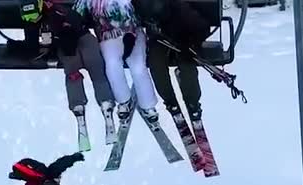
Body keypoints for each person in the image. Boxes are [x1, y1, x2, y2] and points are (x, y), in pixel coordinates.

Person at [18, 0, 118, 145]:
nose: (33, 20)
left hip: (80, 37)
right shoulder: (34, 19)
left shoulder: (57, 11)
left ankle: (104, 103)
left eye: (34, 16)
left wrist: (64, 31)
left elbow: (76, 21)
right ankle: (81, 105)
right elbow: (31, 43)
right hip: (65, 46)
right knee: (73, 69)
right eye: (29, 18)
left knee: (94, 67)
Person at [73, 0, 160, 125]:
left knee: (138, 67)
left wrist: (131, 35)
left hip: (132, 33)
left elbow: (134, 13)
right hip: (107, 35)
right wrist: (77, 25)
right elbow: (77, 14)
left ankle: (148, 105)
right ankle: (123, 100)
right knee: (112, 64)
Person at [137, 0, 210, 124]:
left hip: (182, 39)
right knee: (156, 65)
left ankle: (193, 103)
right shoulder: (146, 7)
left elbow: (203, 28)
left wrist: (191, 43)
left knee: (187, 65)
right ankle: (171, 102)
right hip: (159, 40)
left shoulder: (180, 8)